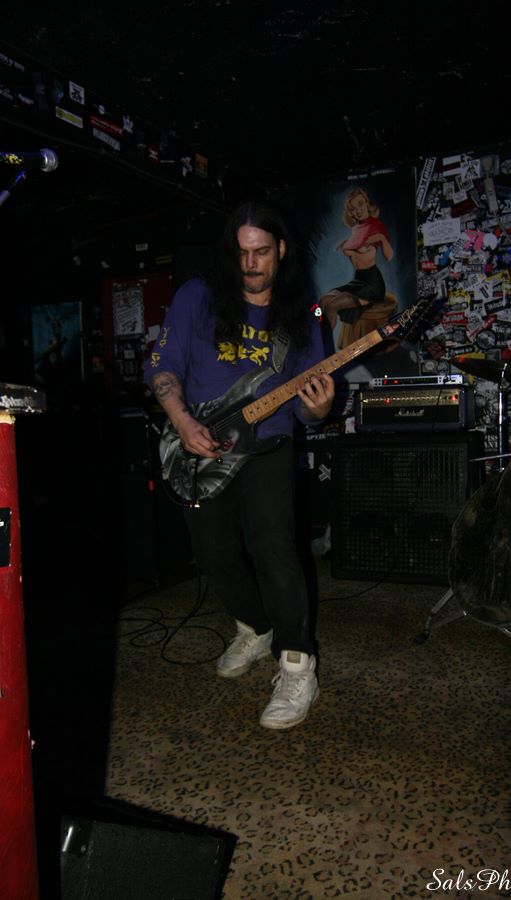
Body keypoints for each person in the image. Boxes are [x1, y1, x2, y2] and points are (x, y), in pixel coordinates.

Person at [144, 200, 335, 730]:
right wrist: (183, 422)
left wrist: (319, 409)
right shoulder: (197, 296)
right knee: (212, 551)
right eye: (242, 252)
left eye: (262, 252)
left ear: (281, 250)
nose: (251, 264)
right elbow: (163, 366)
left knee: (273, 547)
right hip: (201, 444)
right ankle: (254, 626)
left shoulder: (301, 316)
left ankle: (297, 664)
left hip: (268, 445)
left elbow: (309, 407)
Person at [319, 186, 395, 332]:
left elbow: (389, 256)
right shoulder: (357, 229)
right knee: (321, 302)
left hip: (372, 285)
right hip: (358, 280)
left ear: (367, 202)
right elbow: (356, 244)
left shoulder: (376, 225)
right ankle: (319, 329)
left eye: (360, 204)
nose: (358, 211)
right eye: (353, 209)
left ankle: (325, 341)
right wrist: (346, 244)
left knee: (331, 306)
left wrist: (380, 238)